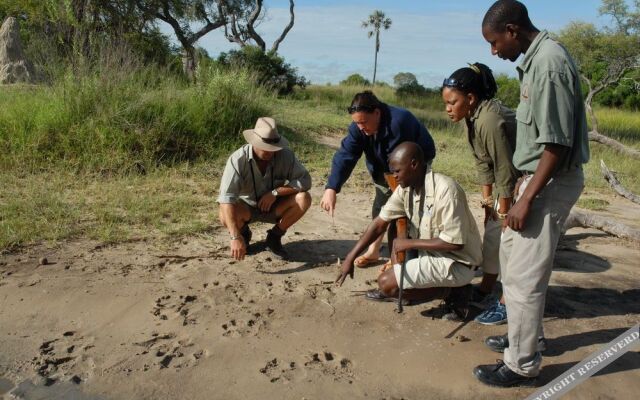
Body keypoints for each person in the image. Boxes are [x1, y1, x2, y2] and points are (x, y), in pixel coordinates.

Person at [474, 0, 590, 387]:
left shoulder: (549, 65)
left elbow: (555, 144)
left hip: (549, 181)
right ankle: (526, 337)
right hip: (535, 178)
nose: (494, 52)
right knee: (512, 260)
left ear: (512, 30)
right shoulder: (536, 60)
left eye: (494, 42)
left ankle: (522, 365)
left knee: (524, 278)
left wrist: (525, 199)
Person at [335, 142, 483, 321]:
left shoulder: (446, 190)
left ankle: (454, 292)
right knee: (396, 222)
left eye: (397, 171)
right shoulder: (406, 188)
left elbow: (454, 243)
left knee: (386, 285)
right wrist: (350, 257)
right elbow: (379, 224)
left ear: (414, 164)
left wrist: (408, 243)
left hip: (457, 263)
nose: (394, 177)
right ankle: (414, 287)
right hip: (430, 254)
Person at [320, 91, 436, 272]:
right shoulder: (358, 127)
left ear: (377, 113)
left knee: (403, 212)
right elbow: (346, 155)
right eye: (357, 122)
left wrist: (398, 193)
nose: (360, 127)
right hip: (383, 167)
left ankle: (397, 257)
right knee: (380, 207)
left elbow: (399, 165)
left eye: (363, 122)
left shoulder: (399, 122)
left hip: (412, 166)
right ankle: (374, 250)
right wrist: (332, 188)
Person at [441, 62, 520, 325]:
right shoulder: (470, 118)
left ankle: (507, 303)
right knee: (492, 235)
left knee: (508, 243)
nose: (448, 109)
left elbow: (505, 169)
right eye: (446, 103)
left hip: (526, 181)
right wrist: (488, 204)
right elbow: (482, 163)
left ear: (471, 98)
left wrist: (505, 210)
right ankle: (486, 288)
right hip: (507, 184)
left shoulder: (488, 119)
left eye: (452, 102)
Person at [218, 117, 312, 261]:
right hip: (246, 208)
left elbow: (305, 180)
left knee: (304, 198)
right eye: (265, 147)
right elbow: (226, 199)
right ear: (254, 142)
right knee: (224, 213)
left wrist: (276, 192)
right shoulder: (237, 160)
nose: (270, 152)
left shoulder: (285, 155)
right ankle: (243, 234)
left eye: (273, 148)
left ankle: (274, 237)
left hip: (275, 207)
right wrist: (235, 236)